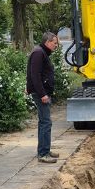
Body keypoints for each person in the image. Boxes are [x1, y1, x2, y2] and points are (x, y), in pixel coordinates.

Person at [26, 31, 59, 163]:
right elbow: (35, 75)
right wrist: (42, 94)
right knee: (46, 122)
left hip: (43, 92)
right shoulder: (39, 53)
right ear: (48, 42)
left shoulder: (42, 52)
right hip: (41, 94)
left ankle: (45, 149)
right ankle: (43, 153)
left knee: (44, 122)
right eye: (55, 43)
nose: (56, 46)